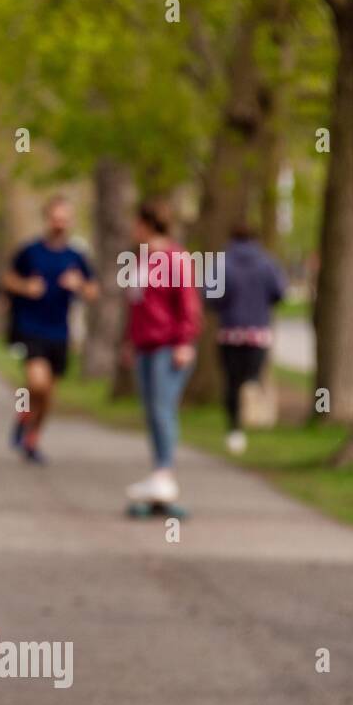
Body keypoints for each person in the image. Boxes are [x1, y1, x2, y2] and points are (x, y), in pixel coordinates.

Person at [2, 195, 98, 463]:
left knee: (48, 394)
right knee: (36, 383)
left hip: (60, 331)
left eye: (64, 219)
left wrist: (79, 284)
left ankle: (32, 437)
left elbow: (93, 292)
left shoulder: (76, 256)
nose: (60, 223)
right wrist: (25, 287)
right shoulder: (30, 251)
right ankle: (23, 416)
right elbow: (8, 279)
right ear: (47, 218)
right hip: (31, 327)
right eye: (56, 218)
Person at [123, 198, 203, 504]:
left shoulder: (175, 258)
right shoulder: (141, 259)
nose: (133, 229)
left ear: (146, 225)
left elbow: (188, 303)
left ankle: (165, 474)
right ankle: (158, 472)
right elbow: (138, 305)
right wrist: (131, 340)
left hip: (168, 346)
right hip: (145, 345)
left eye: (135, 223)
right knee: (152, 411)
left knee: (162, 409)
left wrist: (184, 341)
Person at [211, 222, 284, 455]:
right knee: (252, 378)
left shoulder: (222, 263)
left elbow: (211, 295)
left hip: (230, 332)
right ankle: (255, 413)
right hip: (258, 333)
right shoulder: (267, 263)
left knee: (232, 383)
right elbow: (279, 292)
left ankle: (235, 429)